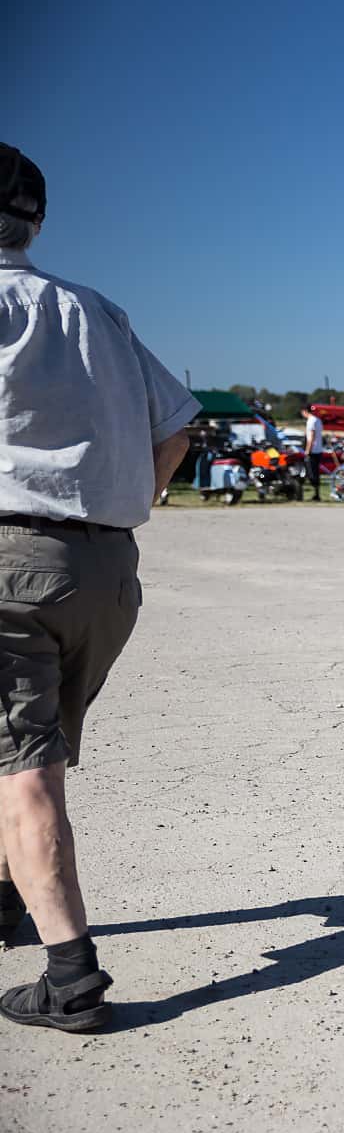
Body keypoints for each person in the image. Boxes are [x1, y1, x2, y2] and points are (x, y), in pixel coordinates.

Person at [0, 143, 196, 1031]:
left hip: (8, 557)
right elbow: (178, 429)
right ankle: (10, 900)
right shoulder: (96, 311)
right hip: (107, 570)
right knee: (20, 755)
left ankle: (71, 976)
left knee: (24, 768)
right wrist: (122, 502)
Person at [302, 404, 326, 501]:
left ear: (305, 411)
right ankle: (316, 493)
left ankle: (315, 493)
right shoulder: (318, 420)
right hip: (319, 450)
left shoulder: (311, 421)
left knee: (311, 473)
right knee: (316, 473)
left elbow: (311, 437)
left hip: (313, 451)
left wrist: (307, 450)